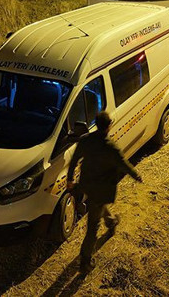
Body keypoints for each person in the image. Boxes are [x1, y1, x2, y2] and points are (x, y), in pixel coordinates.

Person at [67, 112, 142, 275]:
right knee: (92, 228)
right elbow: (124, 164)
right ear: (108, 126)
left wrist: (70, 179)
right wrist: (136, 175)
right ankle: (85, 262)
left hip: (87, 185)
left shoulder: (86, 140)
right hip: (101, 189)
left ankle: (111, 222)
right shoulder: (110, 147)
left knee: (97, 205)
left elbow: (74, 160)